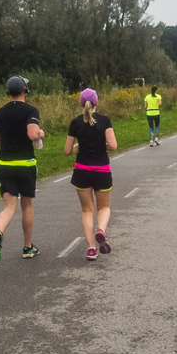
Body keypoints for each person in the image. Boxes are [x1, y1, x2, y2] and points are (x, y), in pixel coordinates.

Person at [0, 75, 45, 263]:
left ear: (9, 92)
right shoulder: (31, 110)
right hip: (26, 165)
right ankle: (28, 247)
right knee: (26, 206)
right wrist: (40, 133)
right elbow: (32, 134)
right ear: (25, 90)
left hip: (6, 165)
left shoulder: (1, 112)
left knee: (8, 208)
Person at [65, 88, 118, 261]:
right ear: (97, 102)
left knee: (87, 210)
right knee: (104, 207)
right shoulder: (105, 121)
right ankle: (101, 230)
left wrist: (79, 145)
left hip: (82, 170)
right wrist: (103, 146)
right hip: (102, 169)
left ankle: (91, 248)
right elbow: (113, 145)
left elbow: (67, 151)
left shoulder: (75, 123)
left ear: (81, 103)